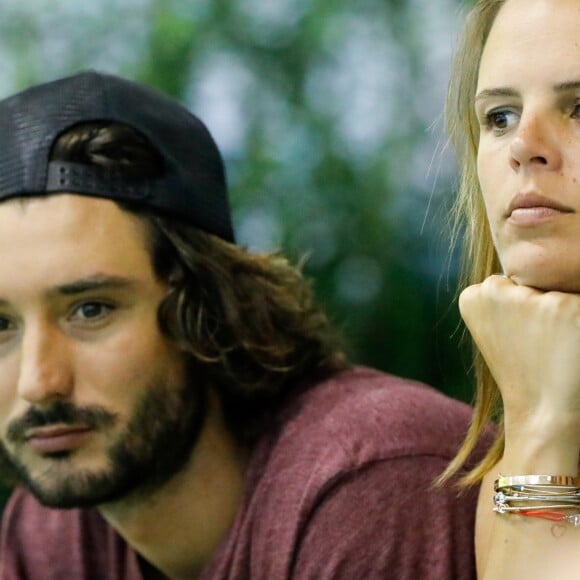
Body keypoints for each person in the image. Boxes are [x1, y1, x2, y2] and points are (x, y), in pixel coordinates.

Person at [0, 71, 487, 580]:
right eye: (0, 324)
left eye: (91, 310)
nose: (38, 382)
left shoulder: (369, 483)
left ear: (204, 307)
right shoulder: (52, 536)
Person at [441, 0, 580, 576]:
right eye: (499, 117)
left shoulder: (540, 423)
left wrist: (543, 421)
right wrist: (535, 423)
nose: (524, 144)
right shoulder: (518, 445)